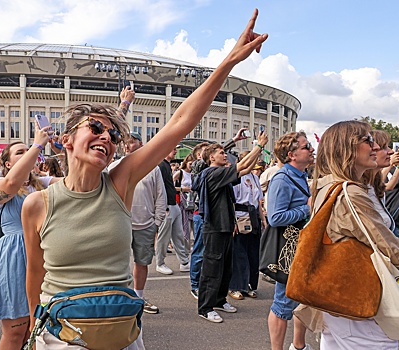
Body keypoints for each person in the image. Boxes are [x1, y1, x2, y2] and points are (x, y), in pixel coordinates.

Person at [23, 9, 268, 348]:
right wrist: (34, 326)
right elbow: (34, 274)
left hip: (120, 330)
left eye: (112, 134)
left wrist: (227, 63)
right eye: (95, 128)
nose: (107, 138)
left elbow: (179, 123)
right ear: (66, 140)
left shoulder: (121, 182)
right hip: (62, 336)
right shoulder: (37, 204)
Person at [303, 120, 399, 349]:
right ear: (347, 148)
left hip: (340, 294)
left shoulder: (330, 185)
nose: (375, 147)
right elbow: (391, 250)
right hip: (359, 297)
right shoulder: (350, 191)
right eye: (367, 140)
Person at [0, 133, 60, 349]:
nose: (28, 153)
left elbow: (75, 181)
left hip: (45, 255)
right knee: (16, 332)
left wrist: (61, 152)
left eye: (28, 150)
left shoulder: (43, 184)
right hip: (16, 258)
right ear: (7, 163)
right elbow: (11, 183)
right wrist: (38, 144)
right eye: (21, 152)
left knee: (40, 328)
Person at [194, 133, 267, 323]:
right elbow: (241, 166)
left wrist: (256, 153)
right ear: (211, 157)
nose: (225, 155)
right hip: (215, 228)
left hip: (226, 226)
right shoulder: (213, 173)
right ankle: (205, 307)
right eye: (221, 153)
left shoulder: (221, 173)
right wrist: (258, 146)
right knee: (212, 268)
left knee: (226, 267)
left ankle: (219, 300)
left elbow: (245, 170)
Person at [109, 131, 167, 314]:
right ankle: (119, 299)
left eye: (132, 142)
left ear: (141, 144)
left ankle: (138, 298)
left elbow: (160, 196)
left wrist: (156, 222)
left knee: (142, 263)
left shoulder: (153, 168)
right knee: (118, 265)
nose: (127, 145)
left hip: (145, 225)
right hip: (121, 224)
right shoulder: (114, 166)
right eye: (125, 142)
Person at [266, 131, 314, 350]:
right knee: (283, 303)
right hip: (289, 249)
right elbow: (275, 217)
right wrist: (307, 208)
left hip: (302, 246)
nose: (312, 149)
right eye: (306, 147)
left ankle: (298, 345)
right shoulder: (282, 178)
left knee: (301, 299)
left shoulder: (301, 175)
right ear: (291, 154)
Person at [228, 151, 266, 301]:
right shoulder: (237, 177)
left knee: (252, 254)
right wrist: (233, 222)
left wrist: (263, 218)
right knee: (239, 254)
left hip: (253, 216)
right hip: (240, 216)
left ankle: (249, 284)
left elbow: (258, 202)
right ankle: (235, 286)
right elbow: (231, 201)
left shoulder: (255, 178)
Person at [156, 147, 190, 275]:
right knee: (164, 238)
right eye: (173, 149)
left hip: (172, 205)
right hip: (167, 206)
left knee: (178, 235)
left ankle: (184, 262)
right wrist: (162, 207)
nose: (175, 151)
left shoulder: (165, 165)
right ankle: (160, 263)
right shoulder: (161, 165)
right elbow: (159, 187)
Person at [189, 142, 210, 299]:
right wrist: (232, 142)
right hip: (200, 213)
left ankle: (205, 282)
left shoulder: (212, 169)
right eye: (206, 151)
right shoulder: (197, 166)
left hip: (211, 214)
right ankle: (195, 284)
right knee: (199, 250)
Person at [173, 153, 195, 251]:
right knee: (185, 226)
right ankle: (185, 249)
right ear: (186, 163)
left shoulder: (194, 174)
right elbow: (170, 186)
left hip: (192, 201)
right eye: (190, 164)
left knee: (193, 225)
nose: (191, 167)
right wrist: (183, 189)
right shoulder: (180, 173)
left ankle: (190, 247)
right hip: (183, 202)